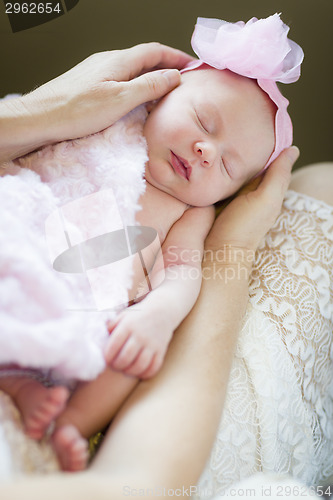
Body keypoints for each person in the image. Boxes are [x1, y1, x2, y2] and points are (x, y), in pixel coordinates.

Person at [0, 14, 305, 472]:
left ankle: (68, 421)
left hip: (84, 303)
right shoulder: (105, 118)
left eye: (226, 167)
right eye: (204, 120)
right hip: (22, 232)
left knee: (134, 356)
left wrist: (157, 316)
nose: (207, 151)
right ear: (160, 92)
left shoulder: (190, 212)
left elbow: (182, 272)